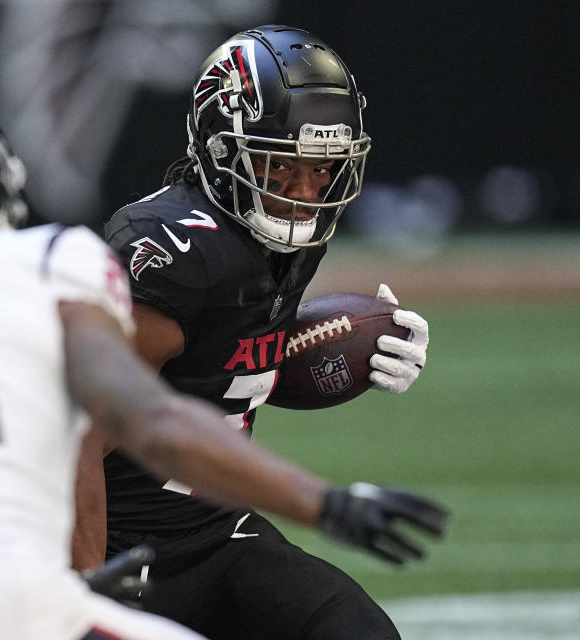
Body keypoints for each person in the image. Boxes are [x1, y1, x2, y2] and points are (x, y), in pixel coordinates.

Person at [0, 93, 439, 640]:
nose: (299, 188)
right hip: (19, 579)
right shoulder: (47, 263)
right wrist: (325, 503)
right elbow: (134, 416)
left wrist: (296, 348)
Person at [73, 25, 450, 640]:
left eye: (321, 169)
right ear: (222, 151)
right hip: (119, 546)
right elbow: (77, 438)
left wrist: (344, 346)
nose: (304, 194)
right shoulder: (176, 251)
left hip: (216, 532)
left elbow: (210, 371)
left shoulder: (288, 240)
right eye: (280, 168)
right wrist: (81, 594)